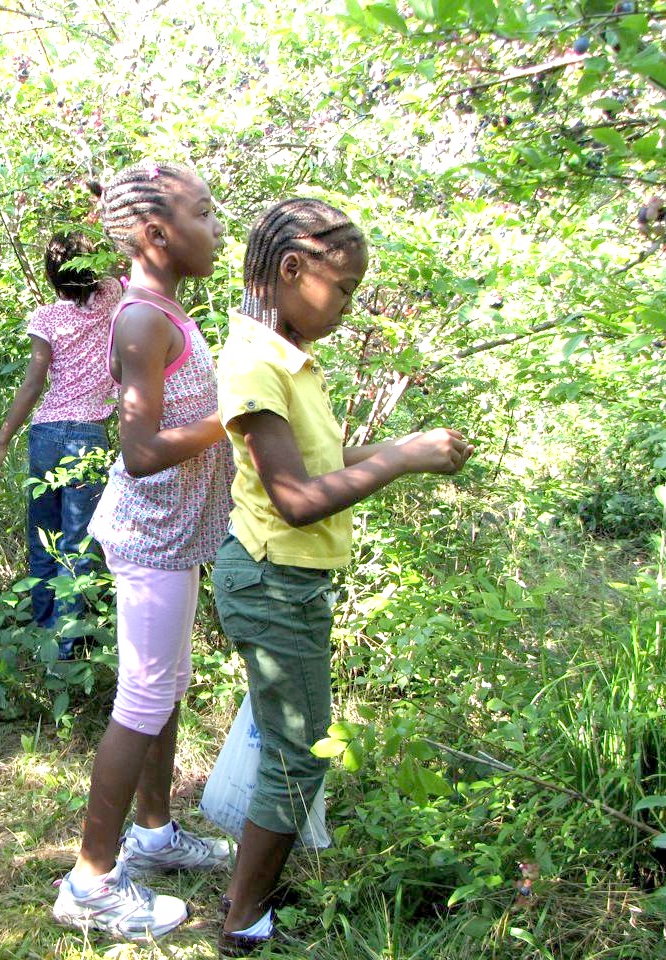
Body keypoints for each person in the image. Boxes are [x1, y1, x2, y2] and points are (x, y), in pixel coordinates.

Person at [212, 199, 472, 955]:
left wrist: (401, 445)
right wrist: (401, 460)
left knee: (285, 740)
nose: (349, 306)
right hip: (274, 579)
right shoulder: (256, 362)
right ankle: (243, 919)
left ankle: (249, 892)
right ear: (292, 270)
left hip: (287, 580)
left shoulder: (288, 358)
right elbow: (294, 501)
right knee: (297, 752)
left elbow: (317, 469)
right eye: (345, 288)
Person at [51, 161, 235, 940]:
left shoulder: (168, 311)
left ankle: (154, 833)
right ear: (158, 233)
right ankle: (90, 880)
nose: (218, 226)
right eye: (205, 211)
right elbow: (139, 451)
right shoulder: (141, 320)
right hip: (151, 538)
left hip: (175, 536)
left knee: (164, 690)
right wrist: (235, 419)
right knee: (144, 700)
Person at [0, 233, 120, 657]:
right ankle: (67, 642)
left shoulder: (45, 317)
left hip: (45, 433)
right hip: (86, 436)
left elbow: (33, 383)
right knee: (78, 542)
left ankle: (44, 631)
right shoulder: (113, 296)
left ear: (50, 275)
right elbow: (118, 259)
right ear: (92, 267)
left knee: (43, 535)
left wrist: (2, 441)